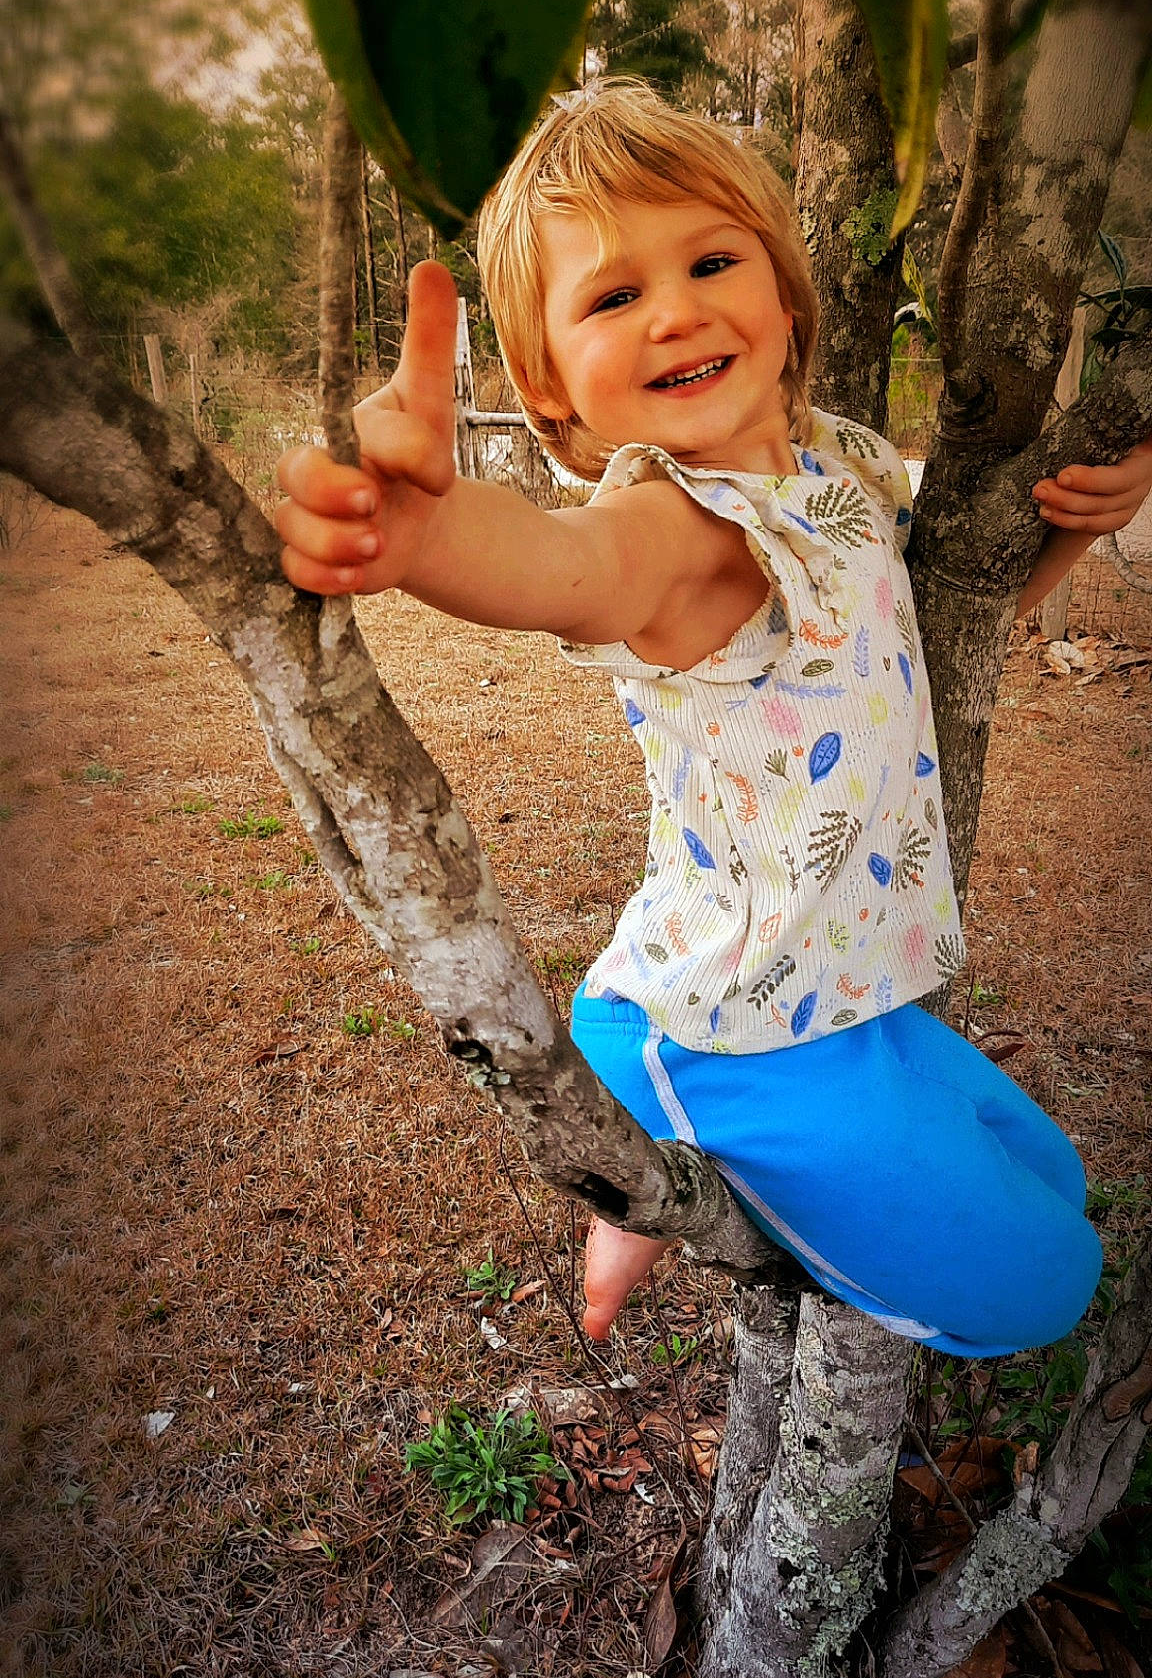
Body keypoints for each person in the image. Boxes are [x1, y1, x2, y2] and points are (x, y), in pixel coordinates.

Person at [275, 81, 1152, 1359]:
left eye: (710, 259)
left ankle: (646, 1180)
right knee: (1042, 1284)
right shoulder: (675, 531)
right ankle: (664, 1133)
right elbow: (555, 565)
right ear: (552, 389)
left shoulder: (841, 463)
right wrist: (424, 534)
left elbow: (946, 606)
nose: (676, 308)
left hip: (849, 991)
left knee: (1055, 1173)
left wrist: (1080, 518)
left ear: (785, 294)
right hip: (738, 1030)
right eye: (614, 297)